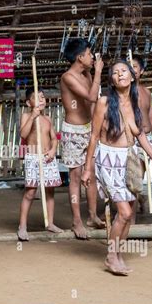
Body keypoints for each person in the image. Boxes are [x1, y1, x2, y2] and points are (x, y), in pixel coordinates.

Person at [81, 60, 152, 275]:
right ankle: (110, 256)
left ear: (133, 76)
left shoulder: (135, 102)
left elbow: (139, 133)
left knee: (128, 212)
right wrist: (88, 168)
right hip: (107, 161)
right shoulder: (104, 102)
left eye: (124, 71)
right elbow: (94, 135)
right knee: (124, 212)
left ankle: (117, 255)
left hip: (128, 159)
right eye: (115, 73)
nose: (120, 75)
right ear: (112, 80)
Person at [60, 38, 105, 239]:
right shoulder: (68, 77)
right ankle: (77, 221)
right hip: (73, 132)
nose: (92, 57)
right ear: (80, 57)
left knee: (92, 173)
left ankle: (92, 216)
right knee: (76, 177)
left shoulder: (86, 74)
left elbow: (94, 104)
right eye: (89, 53)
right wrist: (98, 73)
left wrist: (99, 127)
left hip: (88, 130)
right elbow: (91, 97)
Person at [17, 87, 63, 241]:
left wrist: (52, 151)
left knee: (50, 191)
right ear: (29, 102)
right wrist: (33, 116)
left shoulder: (48, 119)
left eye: (42, 97)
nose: (41, 100)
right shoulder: (26, 116)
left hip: (48, 157)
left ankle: (50, 223)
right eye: (37, 97)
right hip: (33, 157)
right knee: (30, 192)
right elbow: (23, 134)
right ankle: (22, 226)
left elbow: (54, 138)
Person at [130, 55, 152, 219]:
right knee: (127, 179)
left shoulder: (146, 92)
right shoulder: (122, 93)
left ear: (141, 71)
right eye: (128, 66)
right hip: (127, 140)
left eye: (135, 66)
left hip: (144, 140)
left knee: (136, 177)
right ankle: (140, 200)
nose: (131, 69)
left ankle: (132, 217)